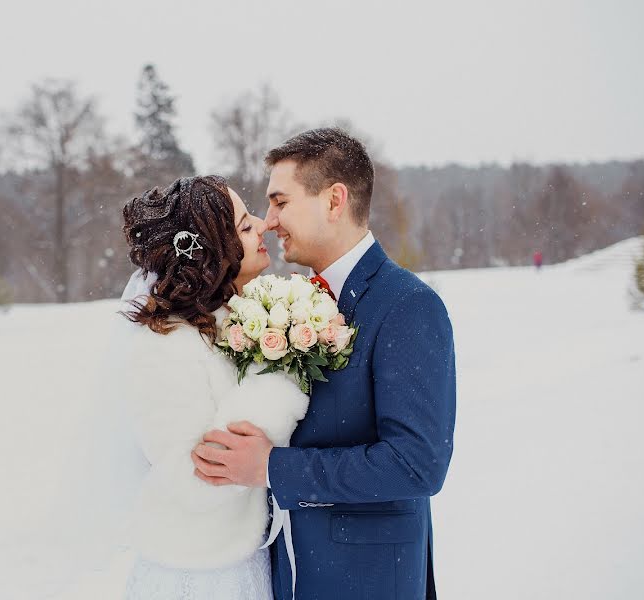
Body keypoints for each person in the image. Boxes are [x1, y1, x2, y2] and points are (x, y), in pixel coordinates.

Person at [192, 128, 457, 600]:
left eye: (281, 201)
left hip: (369, 580)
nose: (269, 221)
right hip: (288, 576)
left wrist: (275, 469)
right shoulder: (285, 301)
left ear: (335, 200)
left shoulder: (408, 306)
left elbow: (418, 465)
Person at [118, 175, 309, 599]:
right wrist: (281, 379)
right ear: (211, 255)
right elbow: (194, 477)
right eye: (244, 226)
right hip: (198, 576)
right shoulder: (163, 346)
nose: (262, 226)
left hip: (248, 561)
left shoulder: (232, 322)